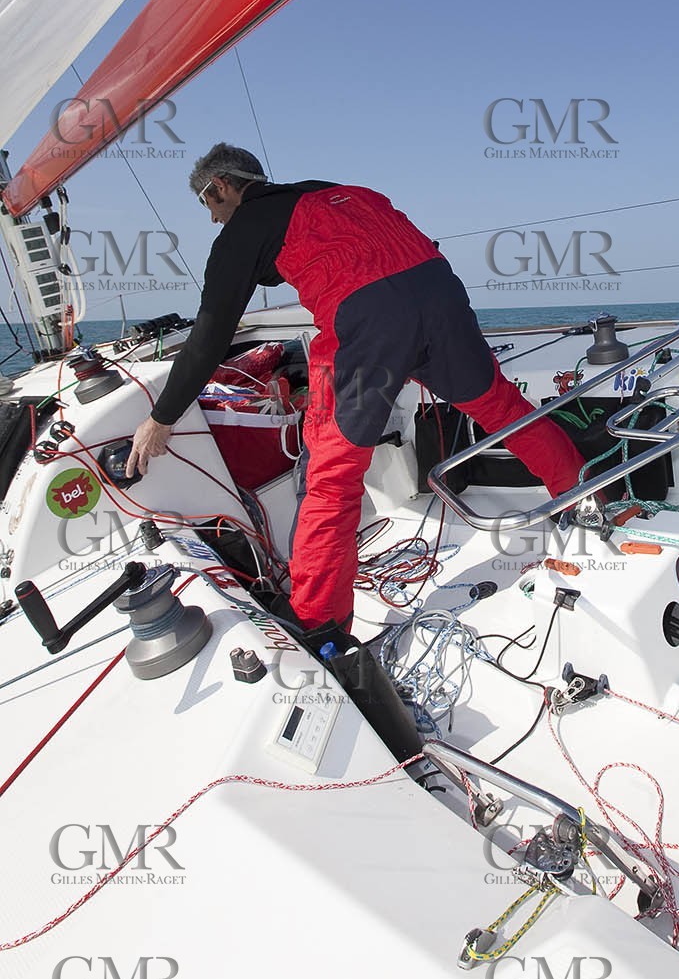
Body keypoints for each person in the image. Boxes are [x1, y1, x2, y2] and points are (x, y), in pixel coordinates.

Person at [127, 144, 589, 631]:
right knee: (503, 408)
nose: (215, 221)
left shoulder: (243, 227)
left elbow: (210, 333)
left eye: (210, 207)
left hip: (365, 323)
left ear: (219, 186)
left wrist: (162, 418)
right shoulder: (346, 192)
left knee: (332, 475)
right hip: (441, 295)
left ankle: (321, 628)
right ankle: (591, 502)